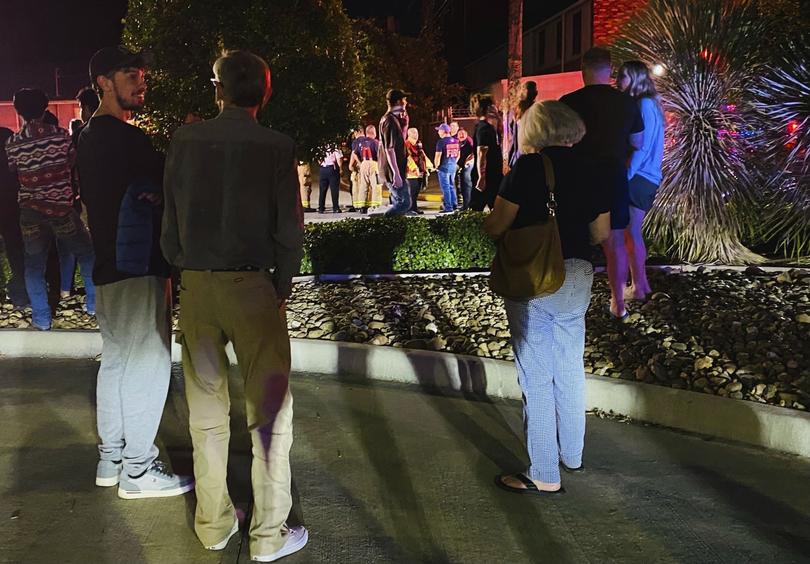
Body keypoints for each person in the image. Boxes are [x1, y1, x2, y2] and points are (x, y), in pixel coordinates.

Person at [162, 49, 307, 562]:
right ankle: (268, 534)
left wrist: (183, 265)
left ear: (218, 89)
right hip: (254, 286)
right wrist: (282, 282)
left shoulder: (185, 139)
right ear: (264, 92)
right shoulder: (276, 146)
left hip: (198, 284)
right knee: (270, 414)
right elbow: (289, 227)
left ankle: (213, 523)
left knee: (205, 414)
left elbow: (170, 218)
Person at [76, 46, 193, 498]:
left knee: (119, 360)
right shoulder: (127, 141)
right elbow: (167, 187)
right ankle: (138, 472)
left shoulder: (90, 137)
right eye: (129, 74)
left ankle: (112, 458)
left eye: (142, 73)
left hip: (108, 267)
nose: (140, 81)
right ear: (103, 82)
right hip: (139, 265)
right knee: (148, 362)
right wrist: (185, 141)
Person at [484, 100, 611, 496]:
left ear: (534, 130)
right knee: (570, 368)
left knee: (536, 377)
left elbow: (497, 225)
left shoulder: (527, 168)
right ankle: (572, 455)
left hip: (535, 278)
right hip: (578, 274)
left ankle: (543, 472)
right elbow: (601, 233)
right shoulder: (593, 168)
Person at [561, 47, 643, 320]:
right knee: (615, 242)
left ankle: (571, 304)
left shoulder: (568, 102)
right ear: (609, 70)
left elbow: (561, 142)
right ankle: (618, 303)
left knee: (575, 242)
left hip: (577, 178)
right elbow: (637, 142)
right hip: (612, 177)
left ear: (583, 70)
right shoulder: (627, 103)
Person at [4, 88, 96, 330]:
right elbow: (71, 162)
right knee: (87, 254)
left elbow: (15, 170)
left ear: (18, 111)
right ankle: (94, 305)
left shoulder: (13, 143)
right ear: (45, 107)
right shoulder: (60, 136)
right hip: (61, 208)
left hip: (31, 210)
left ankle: (42, 319)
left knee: (33, 264)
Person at [617, 61, 665, 302]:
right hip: (646, 176)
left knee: (631, 232)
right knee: (632, 232)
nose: (619, 81)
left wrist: (626, 175)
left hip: (640, 176)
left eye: (623, 76)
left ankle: (637, 286)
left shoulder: (644, 104)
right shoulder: (650, 104)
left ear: (635, 78)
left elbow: (642, 147)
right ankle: (642, 284)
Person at [0, 127, 29, 309]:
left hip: (9, 201)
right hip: (10, 202)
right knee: (15, 250)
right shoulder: (8, 136)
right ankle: (20, 296)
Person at [378, 88, 411, 216]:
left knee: (399, 203)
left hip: (397, 169)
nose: (406, 102)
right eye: (404, 99)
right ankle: (384, 220)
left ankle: (393, 230)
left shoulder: (393, 119)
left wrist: (405, 125)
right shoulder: (389, 120)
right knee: (404, 203)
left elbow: (399, 141)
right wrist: (396, 174)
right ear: (398, 102)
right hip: (392, 171)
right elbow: (389, 149)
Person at [469, 93, 503, 212]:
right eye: (492, 105)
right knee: (476, 209)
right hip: (487, 176)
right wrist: (481, 177)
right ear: (488, 108)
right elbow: (481, 153)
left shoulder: (488, 127)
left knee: (496, 209)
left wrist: (498, 118)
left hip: (493, 175)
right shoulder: (484, 128)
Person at [350, 124, 381, 214]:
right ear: (374, 132)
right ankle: (375, 206)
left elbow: (354, 153)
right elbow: (379, 155)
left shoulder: (360, 142)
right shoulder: (375, 142)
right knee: (376, 186)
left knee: (363, 186)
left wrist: (359, 162)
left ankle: (362, 206)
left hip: (363, 164)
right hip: (373, 164)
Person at [507, 81, 538, 169]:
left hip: (516, 156)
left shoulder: (515, 110)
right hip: (527, 156)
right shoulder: (535, 110)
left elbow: (513, 134)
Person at [434, 123, 460, 213]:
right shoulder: (456, 141)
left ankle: (448, 207)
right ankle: (454, 204)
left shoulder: (441, 142)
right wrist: (454, 162)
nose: (438, 132)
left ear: (443, 131)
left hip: (443, 168)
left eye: (439, 130)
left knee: (445, 188)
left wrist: (436, 166)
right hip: (452, 167)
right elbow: (458, 155)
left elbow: (438, 156)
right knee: (451, 186)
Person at [405, 127, 429, 215]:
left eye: (417, 132)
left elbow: (423, 156)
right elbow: (408, 158)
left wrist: (429, 166)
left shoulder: (418, 144)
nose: (416, 134)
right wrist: (414, 168)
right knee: (411, 192)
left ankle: (414, 208)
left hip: (420, 172)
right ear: (409, 134)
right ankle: (409, 209)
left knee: (416, 192)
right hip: (411, 173)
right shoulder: (407, 144)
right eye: (414, 133)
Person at [317, 147, 342, 214]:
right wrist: (340, 169)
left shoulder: (320, 148)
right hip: (332, 168)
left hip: (323, 169)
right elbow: (338, 159)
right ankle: (335, 208)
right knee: (334, 189)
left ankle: (321, 208)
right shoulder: (335, 147)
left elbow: (318, 159)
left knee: (322, 190)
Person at [457, 127, 475, 210]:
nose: (461, 135)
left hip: (468, 165)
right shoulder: (458, 142)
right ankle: (465, 205)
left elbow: (473, 152)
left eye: (463, 134)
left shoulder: (469, 141)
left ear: (467, 134)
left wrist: (468, 161)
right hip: (462, 166)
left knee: (467, 184)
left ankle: (467, 206)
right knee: (463, 185)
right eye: (460, 134)